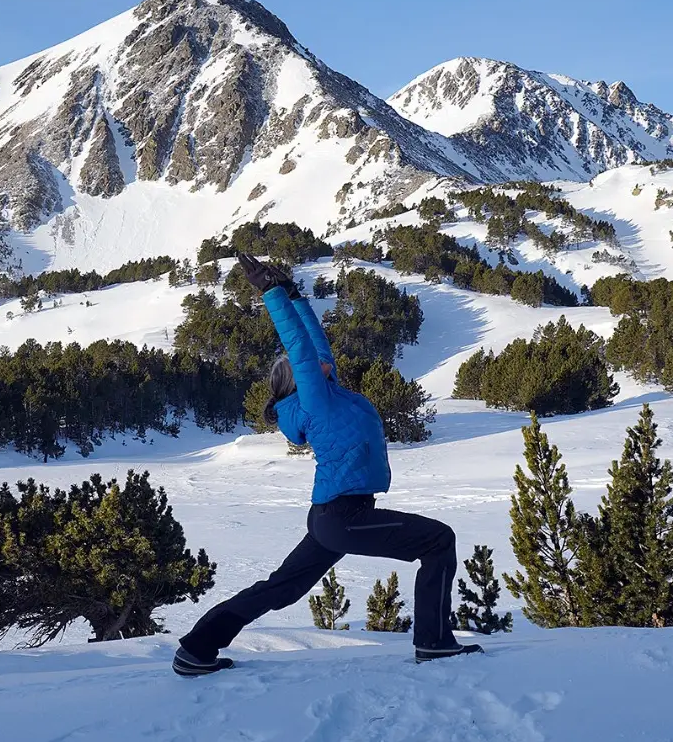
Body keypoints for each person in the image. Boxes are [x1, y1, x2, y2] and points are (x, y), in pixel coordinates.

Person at [173, 254, 481, 676]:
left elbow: (314, 344)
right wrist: (270, 292)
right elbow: (300, 348)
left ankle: (196, 649)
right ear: (301, 380)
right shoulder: (314, 401)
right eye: (312, 369)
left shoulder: (327, 391)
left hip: (334, 517)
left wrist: (296, 294)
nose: (323, 362)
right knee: (438, 541)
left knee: (281, 588)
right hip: (343, 516)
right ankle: (434, 643)